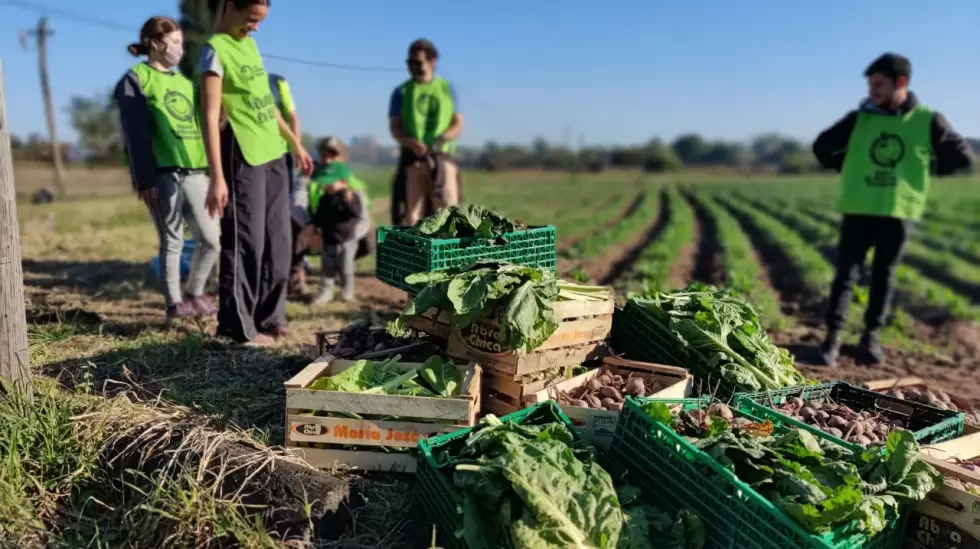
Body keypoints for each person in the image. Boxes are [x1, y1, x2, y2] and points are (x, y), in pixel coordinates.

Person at [811, 52, 973, 366]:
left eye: (879, 84)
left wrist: (928, 169)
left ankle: (870, 340)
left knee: (883, 277)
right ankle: (831, 340)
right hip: (859, 206)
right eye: (871, 84)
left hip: (899, 211)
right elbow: (821, 146)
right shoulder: (860, 118)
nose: (873, 90)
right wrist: (847, 165)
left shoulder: (927, 120)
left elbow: (962, 157)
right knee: (846, 275)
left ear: (901, 83)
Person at [198, 0, 313, 346]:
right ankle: (237, 328)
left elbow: (268, 103)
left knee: (279, 244)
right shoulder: (214, 51)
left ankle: (270, 318)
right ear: (230, 6)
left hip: (274, 154)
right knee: (246, 242)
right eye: (251, 20)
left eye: (260, 21)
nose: (255, 27)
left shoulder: (250, 45)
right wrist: (217, 176)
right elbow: (210, 115)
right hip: (242, 153)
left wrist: (295, 143)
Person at [115, 15, 220, 324]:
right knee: (172, 241)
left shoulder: (183, 82)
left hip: (196, 170)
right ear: (155, 43)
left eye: (180, 43)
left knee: (212, 240)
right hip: (164, 173)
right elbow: (135, 134)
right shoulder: (135, 79)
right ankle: (174, 304)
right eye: (174, 43)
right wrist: (144, 179)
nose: (179, 49)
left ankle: (194, 293)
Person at [388, 38, 465, 226]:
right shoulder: (401, 92)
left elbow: (458, 122)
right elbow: (395, 127)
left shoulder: (447, 88)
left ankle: (446, 253)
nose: (413, 67)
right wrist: (409, 142)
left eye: (418, 62)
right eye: (410, 63)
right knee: (411, 216)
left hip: (442, 157)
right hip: (413, 159)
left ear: (432, 62)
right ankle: (415, 253)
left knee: (447, 211)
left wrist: (445, 137)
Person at [292, 137, 373, 304]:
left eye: (333, 156)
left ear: (344, 158)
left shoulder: (353, 185)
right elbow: (296, 205)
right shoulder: (310, 176)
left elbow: (363, 218)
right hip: (319, 231)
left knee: (346, 263)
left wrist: (348, 238)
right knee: (288, 228)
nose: (327, 161)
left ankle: (346, 288)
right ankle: (297, 276)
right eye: (323, 156)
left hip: (345, 235)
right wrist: (312, 228)